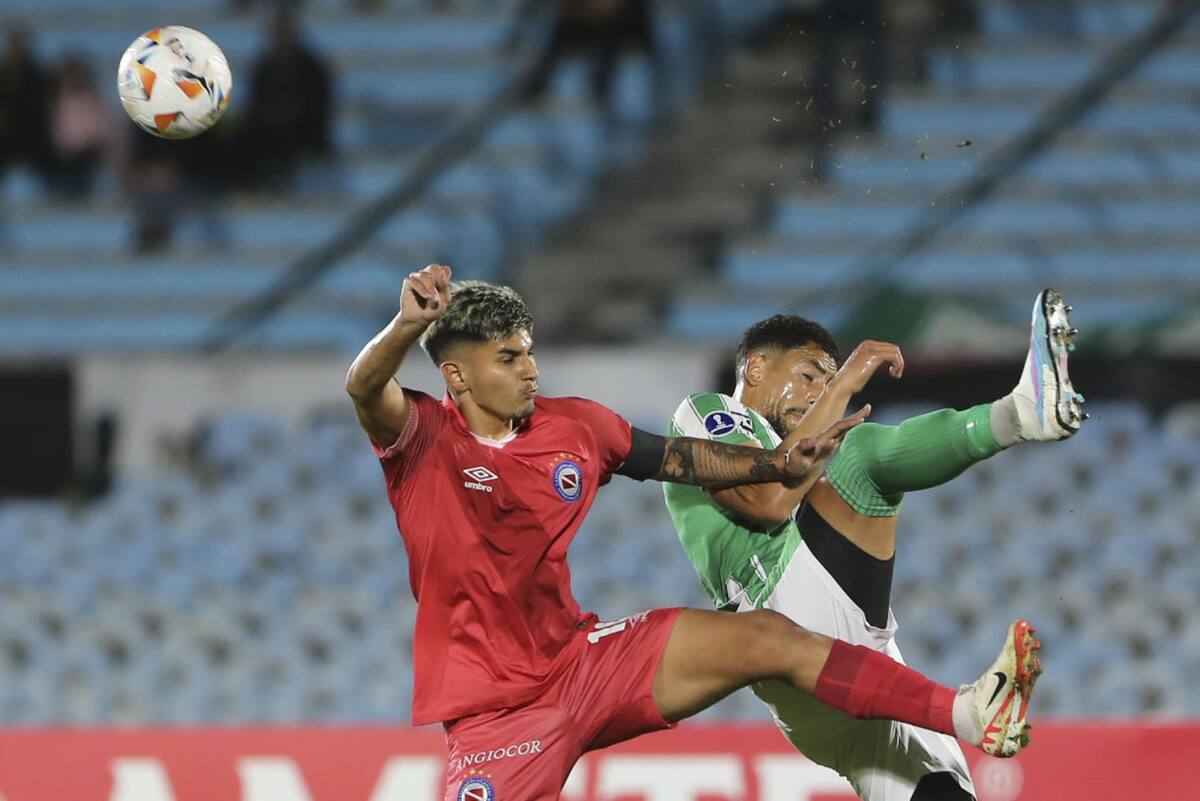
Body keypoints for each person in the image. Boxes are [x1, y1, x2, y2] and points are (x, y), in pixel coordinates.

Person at [345, 264, 1043, 800]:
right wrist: (406, 325)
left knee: (768, 636)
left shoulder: (574, 426)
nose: (531, 369)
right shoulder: (422, 437)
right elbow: (362, 386)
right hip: (496, 715)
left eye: (529, 352)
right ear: (456, 375)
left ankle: (965, 710)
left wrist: (775, 459)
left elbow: (678, 458)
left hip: (582, 660)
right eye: (509, 357)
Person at [662, 290, 1082, 800]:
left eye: (826, 379)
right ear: (756, 369)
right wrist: (845, 383)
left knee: (941, 790)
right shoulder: (708, 411)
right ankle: (1018, 414)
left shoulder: (802, 455)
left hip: (853, 674)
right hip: (780, 614)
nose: (820, 391)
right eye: (810, 373)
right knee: (854, 455)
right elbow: (765, 497)